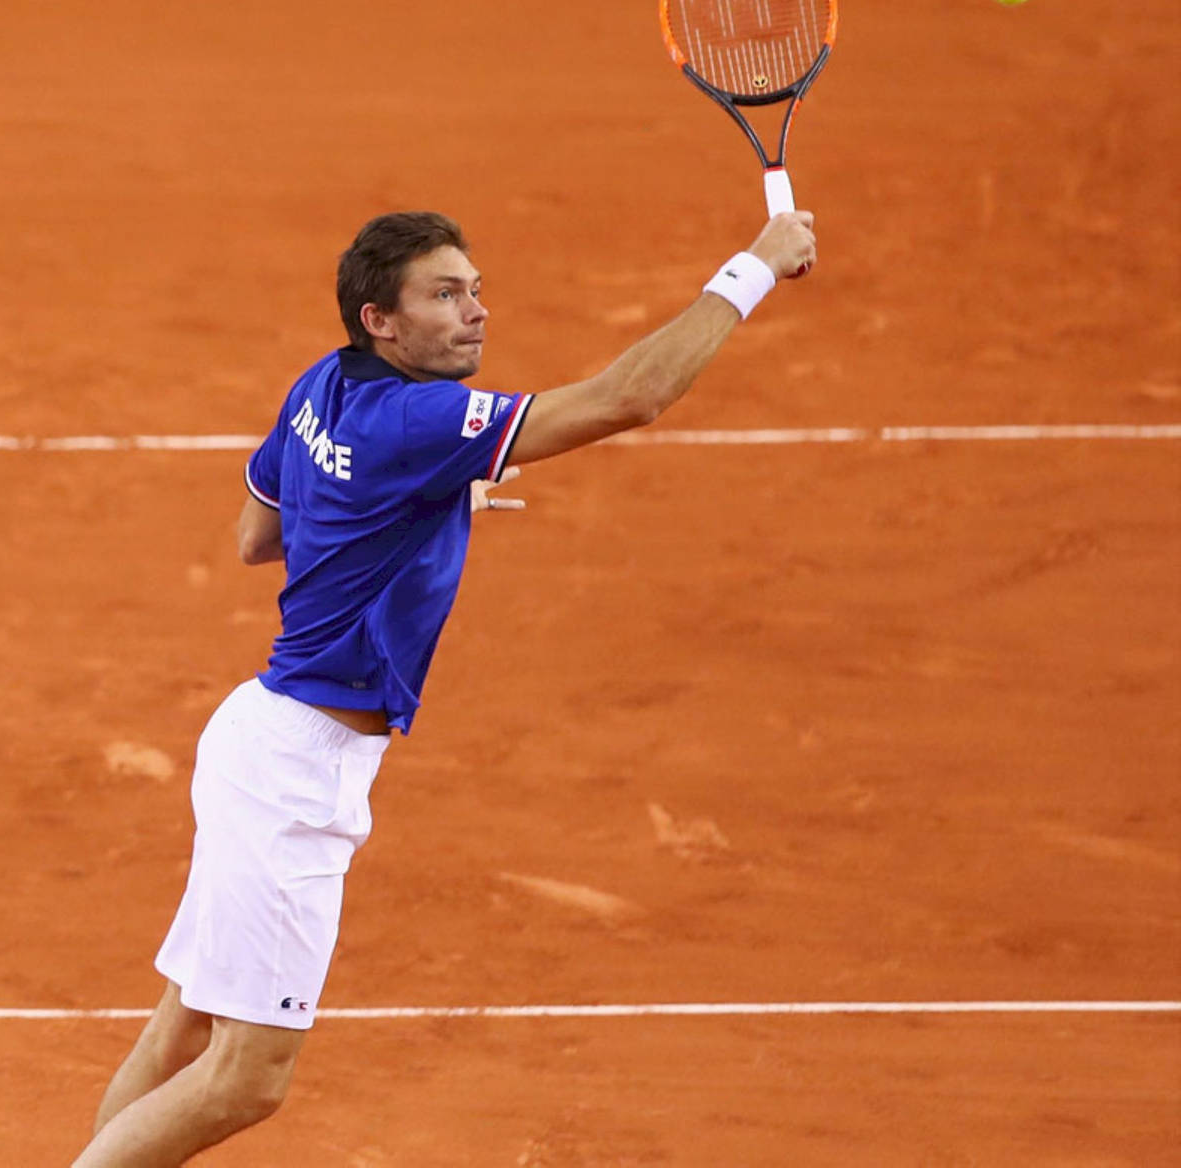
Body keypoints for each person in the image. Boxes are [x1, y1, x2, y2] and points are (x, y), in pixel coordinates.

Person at [73, 207, 816, 1165]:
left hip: (261, 742)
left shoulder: (324, 382)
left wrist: (391, 508)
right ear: (381, 317)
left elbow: (256, 538)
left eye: (475, 290)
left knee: (182, 1029)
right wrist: (753, 267)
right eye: (447, 294)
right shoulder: (418, 421)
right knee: (246, 1077)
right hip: (295, 773)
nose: (477, 312)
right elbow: (630, 397)